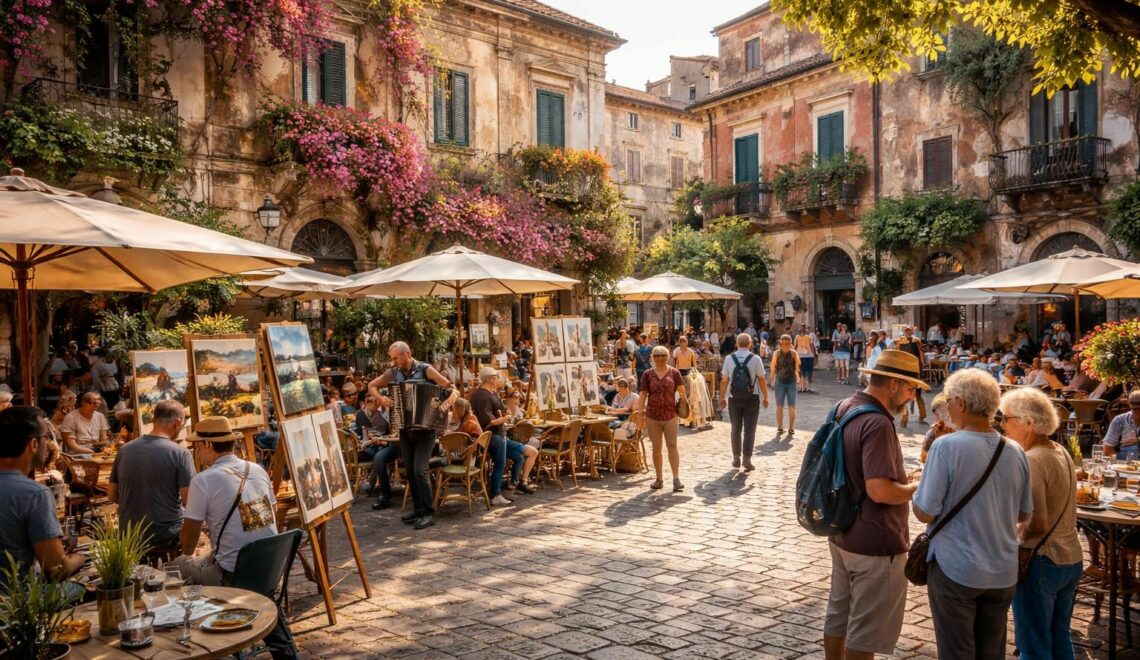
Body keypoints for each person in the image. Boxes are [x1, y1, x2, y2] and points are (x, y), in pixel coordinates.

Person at [913, 368, 1032, 660]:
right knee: (992, 651)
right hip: (1001, 569)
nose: (947, 405)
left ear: (962, 404)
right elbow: (1022, 513)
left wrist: (915, 491)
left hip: (957, 567)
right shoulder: (1015, 450)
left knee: (957, 651)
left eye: (950, 399)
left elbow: (925, 512)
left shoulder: (946, 447)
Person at [824, 350, 928, 660]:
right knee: (865, 630)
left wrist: (900, 476)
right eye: (911, 388)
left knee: (839, 614)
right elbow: (880, 490)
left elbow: (856, 469)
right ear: (894, 384)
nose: (912, 396)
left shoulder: (844, 406)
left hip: (842, 530)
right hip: (875, 541)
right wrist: (915, 486)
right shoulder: (878, 423)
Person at [174, 417, 296, 659]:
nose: (197, 451)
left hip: (234, 574)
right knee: (212, 559)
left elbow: (187, 546)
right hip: (270, 570)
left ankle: (194, 644)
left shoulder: (203, 480)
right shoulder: (257, 469)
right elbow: (266, 516)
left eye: (197, 446)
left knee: (178, 565)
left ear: (208, 445)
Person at [1000, 387, 1082, 659]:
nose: (1002, 425)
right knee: (1060, 640)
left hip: (1042, 560)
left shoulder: (1033, 459)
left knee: (1034, 645)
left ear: (1028, 423)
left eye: (1006, 418)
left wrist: (1014, 541)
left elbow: (1037, 523)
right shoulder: (1059, 450)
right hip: (1070, 558)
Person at [368, 342, 457, 530]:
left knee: (419, 470)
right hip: (405, 428)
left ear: (407, 354)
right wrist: (381, 398)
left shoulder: (426, 370)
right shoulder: (394, 373)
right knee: (409, 470)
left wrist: (446, 403)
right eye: (392, 358)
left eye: (396, 358)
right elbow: (371, 385)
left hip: (426, 429)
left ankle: (429, 512)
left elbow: (452, 389)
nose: (393, 362)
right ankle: (418, 510)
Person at [0, 406, 86, 583]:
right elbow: (56, 570)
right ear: (33, 444)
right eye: (46, 437)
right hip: (16, 603)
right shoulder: (34, 494)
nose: (49, 443)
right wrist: (82, 558)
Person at [108, 400, 195, 556]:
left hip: (128, 533)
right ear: (177, 423)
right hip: (164, 533)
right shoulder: (180, 453)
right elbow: (190, 500)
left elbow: (112, 495)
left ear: (154, 420)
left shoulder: (124, 450)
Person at [470, 368, 537, 504]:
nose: (498, 378)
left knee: (519, 456)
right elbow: (491, 422)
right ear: (489, 378)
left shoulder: (486, 393)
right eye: (496, 376)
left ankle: (514, 483)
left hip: (500, 436)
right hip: (495, 436)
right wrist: (506, 417)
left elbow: (498, 409)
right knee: (500, 464)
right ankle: (495, 495)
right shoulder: (483, 396)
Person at [635, 346, 686, 492]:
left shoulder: (674, 373)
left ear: (667, 356)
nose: (660, 358)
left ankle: (676, 478)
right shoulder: (647, 374)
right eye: (656, 355)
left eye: (663, 355)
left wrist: (683, 399)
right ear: (652, 357)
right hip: (653, 415)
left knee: (672, 446)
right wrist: (640, 412)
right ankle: (659, 478)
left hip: (670, 414)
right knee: (656, 448)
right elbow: (643, 393)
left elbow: (682, 390)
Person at [719, 333, 770, 471]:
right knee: (749, 430)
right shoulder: (755, 359)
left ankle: (736, 457)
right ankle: (747, 458)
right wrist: (765, 397)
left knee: (735, 429)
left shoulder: (729, 359)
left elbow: (724, 380)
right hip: (751, 398)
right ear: (750, 344)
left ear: (736, 343)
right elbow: (761, 380)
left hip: (734, 398)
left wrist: (722, 397)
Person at [769, 335, 801, 437]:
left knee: (779, 406)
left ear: (780, 343)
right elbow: (798, 366)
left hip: (780, 381)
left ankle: (780, 427)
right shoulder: (793, 353)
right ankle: (791, 428)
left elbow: (773, 367)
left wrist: (771, 378)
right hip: (791, 381)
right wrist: (798, 377)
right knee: (792, 406)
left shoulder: (776, 353)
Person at [59, 391, 110, 456]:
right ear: (84, 403)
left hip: (96, 450)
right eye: (92, 403)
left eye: (97, 404)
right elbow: (72, 446)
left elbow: (104, 441)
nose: (95, 406)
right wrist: (90, 451)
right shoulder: (71, 417)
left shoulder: (100, 416)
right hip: (77, 453)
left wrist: (95, 446)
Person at [895, 326, 927, 427]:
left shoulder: (916, 341)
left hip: (915, 370)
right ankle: (904, 419)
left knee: (917, 394)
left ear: (911, 331)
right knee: (903, 394)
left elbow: (921, 354)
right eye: (906, 331)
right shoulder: (900, 341)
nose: (907, 332)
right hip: (904, 370)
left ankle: (922, 416)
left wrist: (922, 368)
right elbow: (898, 354)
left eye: (909, 331)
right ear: (904, 331)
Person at [1105, 390, 1140, 460]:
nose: (1137, 411)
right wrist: (1118, 465)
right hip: (1125, 459)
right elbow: (1108, 449)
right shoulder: (1120, 420)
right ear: (1129, 404)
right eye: (1134, 408)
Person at [921, 393, 954, 463]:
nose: (945, 415)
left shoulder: (959, 430)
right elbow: (925, 459)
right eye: (942, 412)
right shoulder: (933, 434)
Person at [794, 324, 818, 393]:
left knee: (802, 372)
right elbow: (811, 345)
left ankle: (802, 388)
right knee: (806, 372)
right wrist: (813, 354)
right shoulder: (807, 337)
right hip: (807, 355)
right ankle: (805, 387)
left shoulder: (797, 337)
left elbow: (795, 345)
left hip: (801, 355)